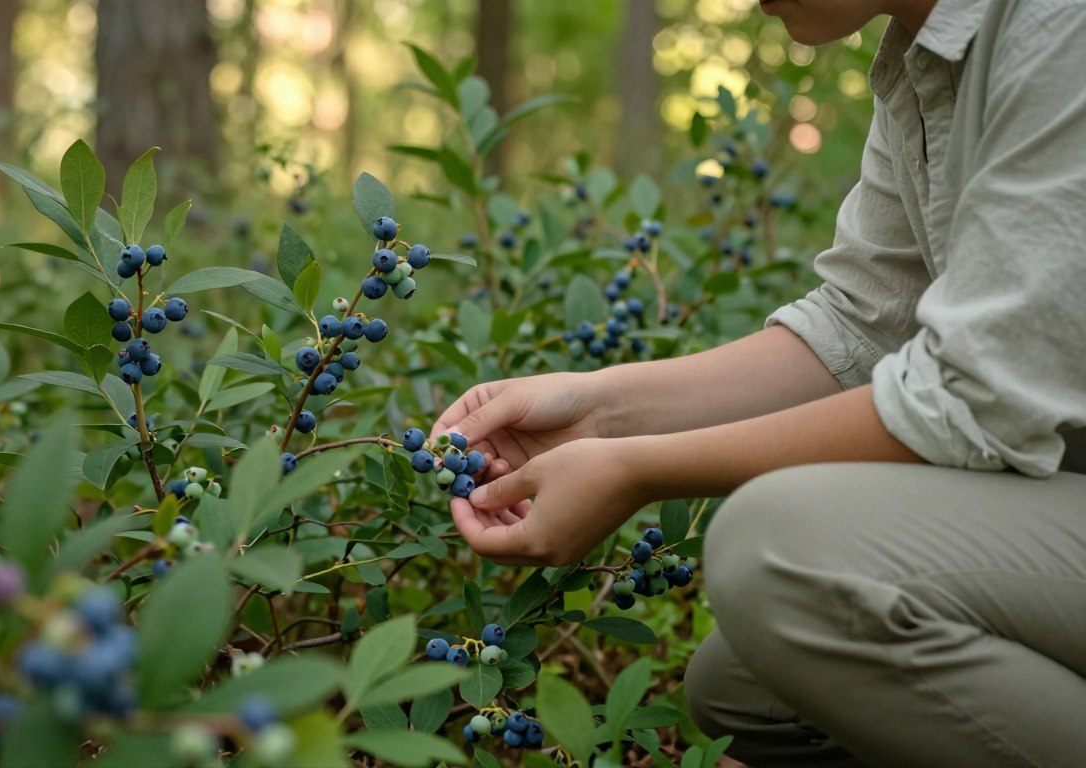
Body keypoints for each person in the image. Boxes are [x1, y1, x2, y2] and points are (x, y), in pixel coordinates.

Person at [432, 0, 1086, 765]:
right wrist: (603, 415)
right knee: (743, 692)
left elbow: (974, 399)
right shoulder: (925, 54)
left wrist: (635, 470)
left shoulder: (1060, 27)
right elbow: (861, 325)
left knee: (783, 556)